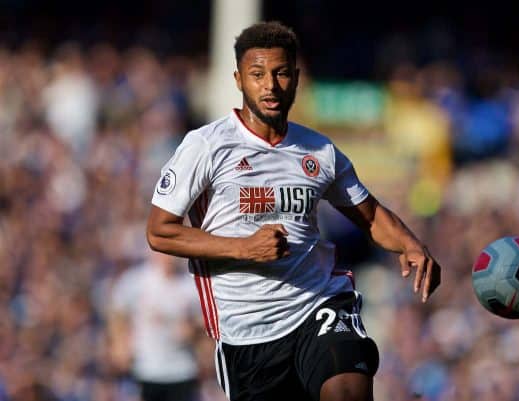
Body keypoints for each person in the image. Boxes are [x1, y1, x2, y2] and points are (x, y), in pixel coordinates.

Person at [146, 21, 441, 401]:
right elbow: (159, 231)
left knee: (348, 386)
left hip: (318, 303)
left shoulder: (320, 151)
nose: (270, 85)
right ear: (238, 79)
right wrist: (243, 247)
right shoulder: (206, 146)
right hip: (248, 335)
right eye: (257, 75)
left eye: (281, 73)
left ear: (296, 78)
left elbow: (368, 215)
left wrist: (409, 244)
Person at [108, 251, 202, 401]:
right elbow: (118, 312)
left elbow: (203, 322)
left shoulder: (190, 284)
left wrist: (193, 330)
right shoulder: (136, 280)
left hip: (181, 369)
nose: (169, 258)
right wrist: (119, 343)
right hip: (146, 367)